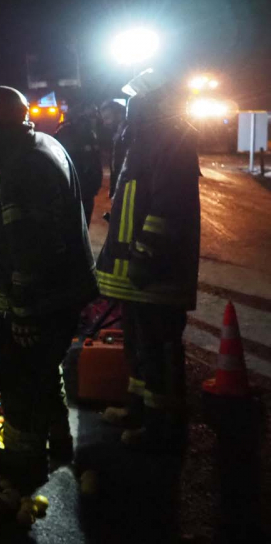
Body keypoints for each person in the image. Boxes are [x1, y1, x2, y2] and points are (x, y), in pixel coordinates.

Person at [0, 85, 98, 488]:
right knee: (44, 370)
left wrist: (23, 313)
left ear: (1, 128)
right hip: (64, 291)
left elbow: (28, 250)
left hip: (42, 299)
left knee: (22, 379)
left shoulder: (23, 169)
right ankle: (59, 442)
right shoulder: (44, 144)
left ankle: (25, 462)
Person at [97, 69, 199, 452]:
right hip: (136, 272)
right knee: (139, 346)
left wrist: (144, 254)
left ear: (155, 100)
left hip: (157, 273)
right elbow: (133, 200)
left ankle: (163, 428)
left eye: (137, 100)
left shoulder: (173, 138)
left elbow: (168, 207)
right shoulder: (144, 137)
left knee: (161, 349)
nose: (129, 108)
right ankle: (139, 410)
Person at [54, 100, 104, 223]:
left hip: (88, 189)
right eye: (92, 115)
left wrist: (95, 183)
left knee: (84, 225)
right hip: (72, 190)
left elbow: (94, 161)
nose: (95, 118)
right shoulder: (66, 132)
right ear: (81, 116)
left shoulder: (90, 134)